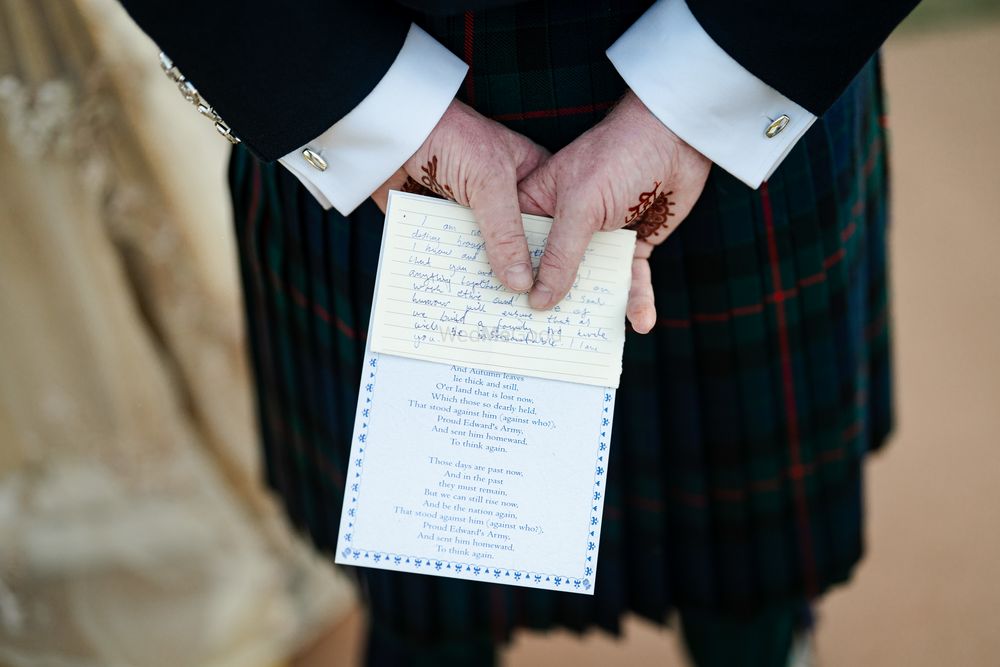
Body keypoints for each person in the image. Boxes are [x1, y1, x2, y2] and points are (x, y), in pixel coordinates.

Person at [119, 1, 919, 664]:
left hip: (746, 97)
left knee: (755, 565)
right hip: (357, 99)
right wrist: (374, 116)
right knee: (418, 586)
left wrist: (700, 103)